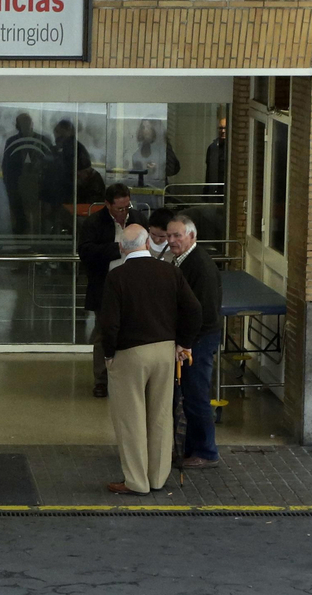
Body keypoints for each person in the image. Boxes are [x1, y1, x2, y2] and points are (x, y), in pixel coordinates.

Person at [99, 225, 201, 495]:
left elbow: (109, 324)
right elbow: (193, 309)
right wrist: (184, 343)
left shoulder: (117, 277)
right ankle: (157, 478)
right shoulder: (170, 271)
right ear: (148, 244)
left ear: (122, 247)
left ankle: (136, 481)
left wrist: (108, 354)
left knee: (130, 419)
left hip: (130, 353)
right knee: (160, 416)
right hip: (165, 351)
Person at [77, 183, 146, 398]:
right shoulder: (94, 223)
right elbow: (86, 251)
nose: (124, 212)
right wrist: (117, 249)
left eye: (127, 206)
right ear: (107, 205)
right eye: (119, 208)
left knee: (135, 332)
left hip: (135, 286)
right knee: (104, 333)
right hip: (105, 287)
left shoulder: (138, 219)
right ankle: (101, 380)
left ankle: (131, 379)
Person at [168, 215, 223, 469]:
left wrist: (186, 343)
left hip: (199, 341)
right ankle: (192, 450)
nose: (172, 241)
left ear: (192, 236)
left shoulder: (199, 265)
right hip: (193, 339)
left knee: (197, 396)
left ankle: (205, 452)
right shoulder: (183, 260)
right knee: (189, 397)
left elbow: (203, 312)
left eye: (177, 235)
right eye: (169, 236)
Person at [38, 119, 93, 234]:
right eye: (56, 132)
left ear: (69, 131)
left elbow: (83, 172)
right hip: (57, 192)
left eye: (59, 131)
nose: (56, 135)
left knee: (65, 220)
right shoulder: (58, 148)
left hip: (67, 193)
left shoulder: (75, 149)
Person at [1, 113, 51, 235]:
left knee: (37, 213)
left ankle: (37, 234)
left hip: (37, 184)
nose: (24, 126)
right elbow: (7, 165)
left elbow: (50, 164)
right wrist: (9, 184)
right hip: (19, 183)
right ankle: (22, 233)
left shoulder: (42, 141)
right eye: (22, 124)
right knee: (20, 213)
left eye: (26, 123)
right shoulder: (13, 141)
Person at [126, 119, 179, 210]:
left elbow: (174, 169)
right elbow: (137, 176)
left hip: (159, 194)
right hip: (142, 195)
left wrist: (158, 168)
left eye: (149, 127)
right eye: (143, 127)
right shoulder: (137, 153)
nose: (145, 130)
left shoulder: (163, 150)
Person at [204, 117, 228, 187]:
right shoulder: (213, 148)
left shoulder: (232, 148)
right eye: (221, 128)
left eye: (225, 128)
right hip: (214, 187)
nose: (223, 131)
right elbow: (209, 172)